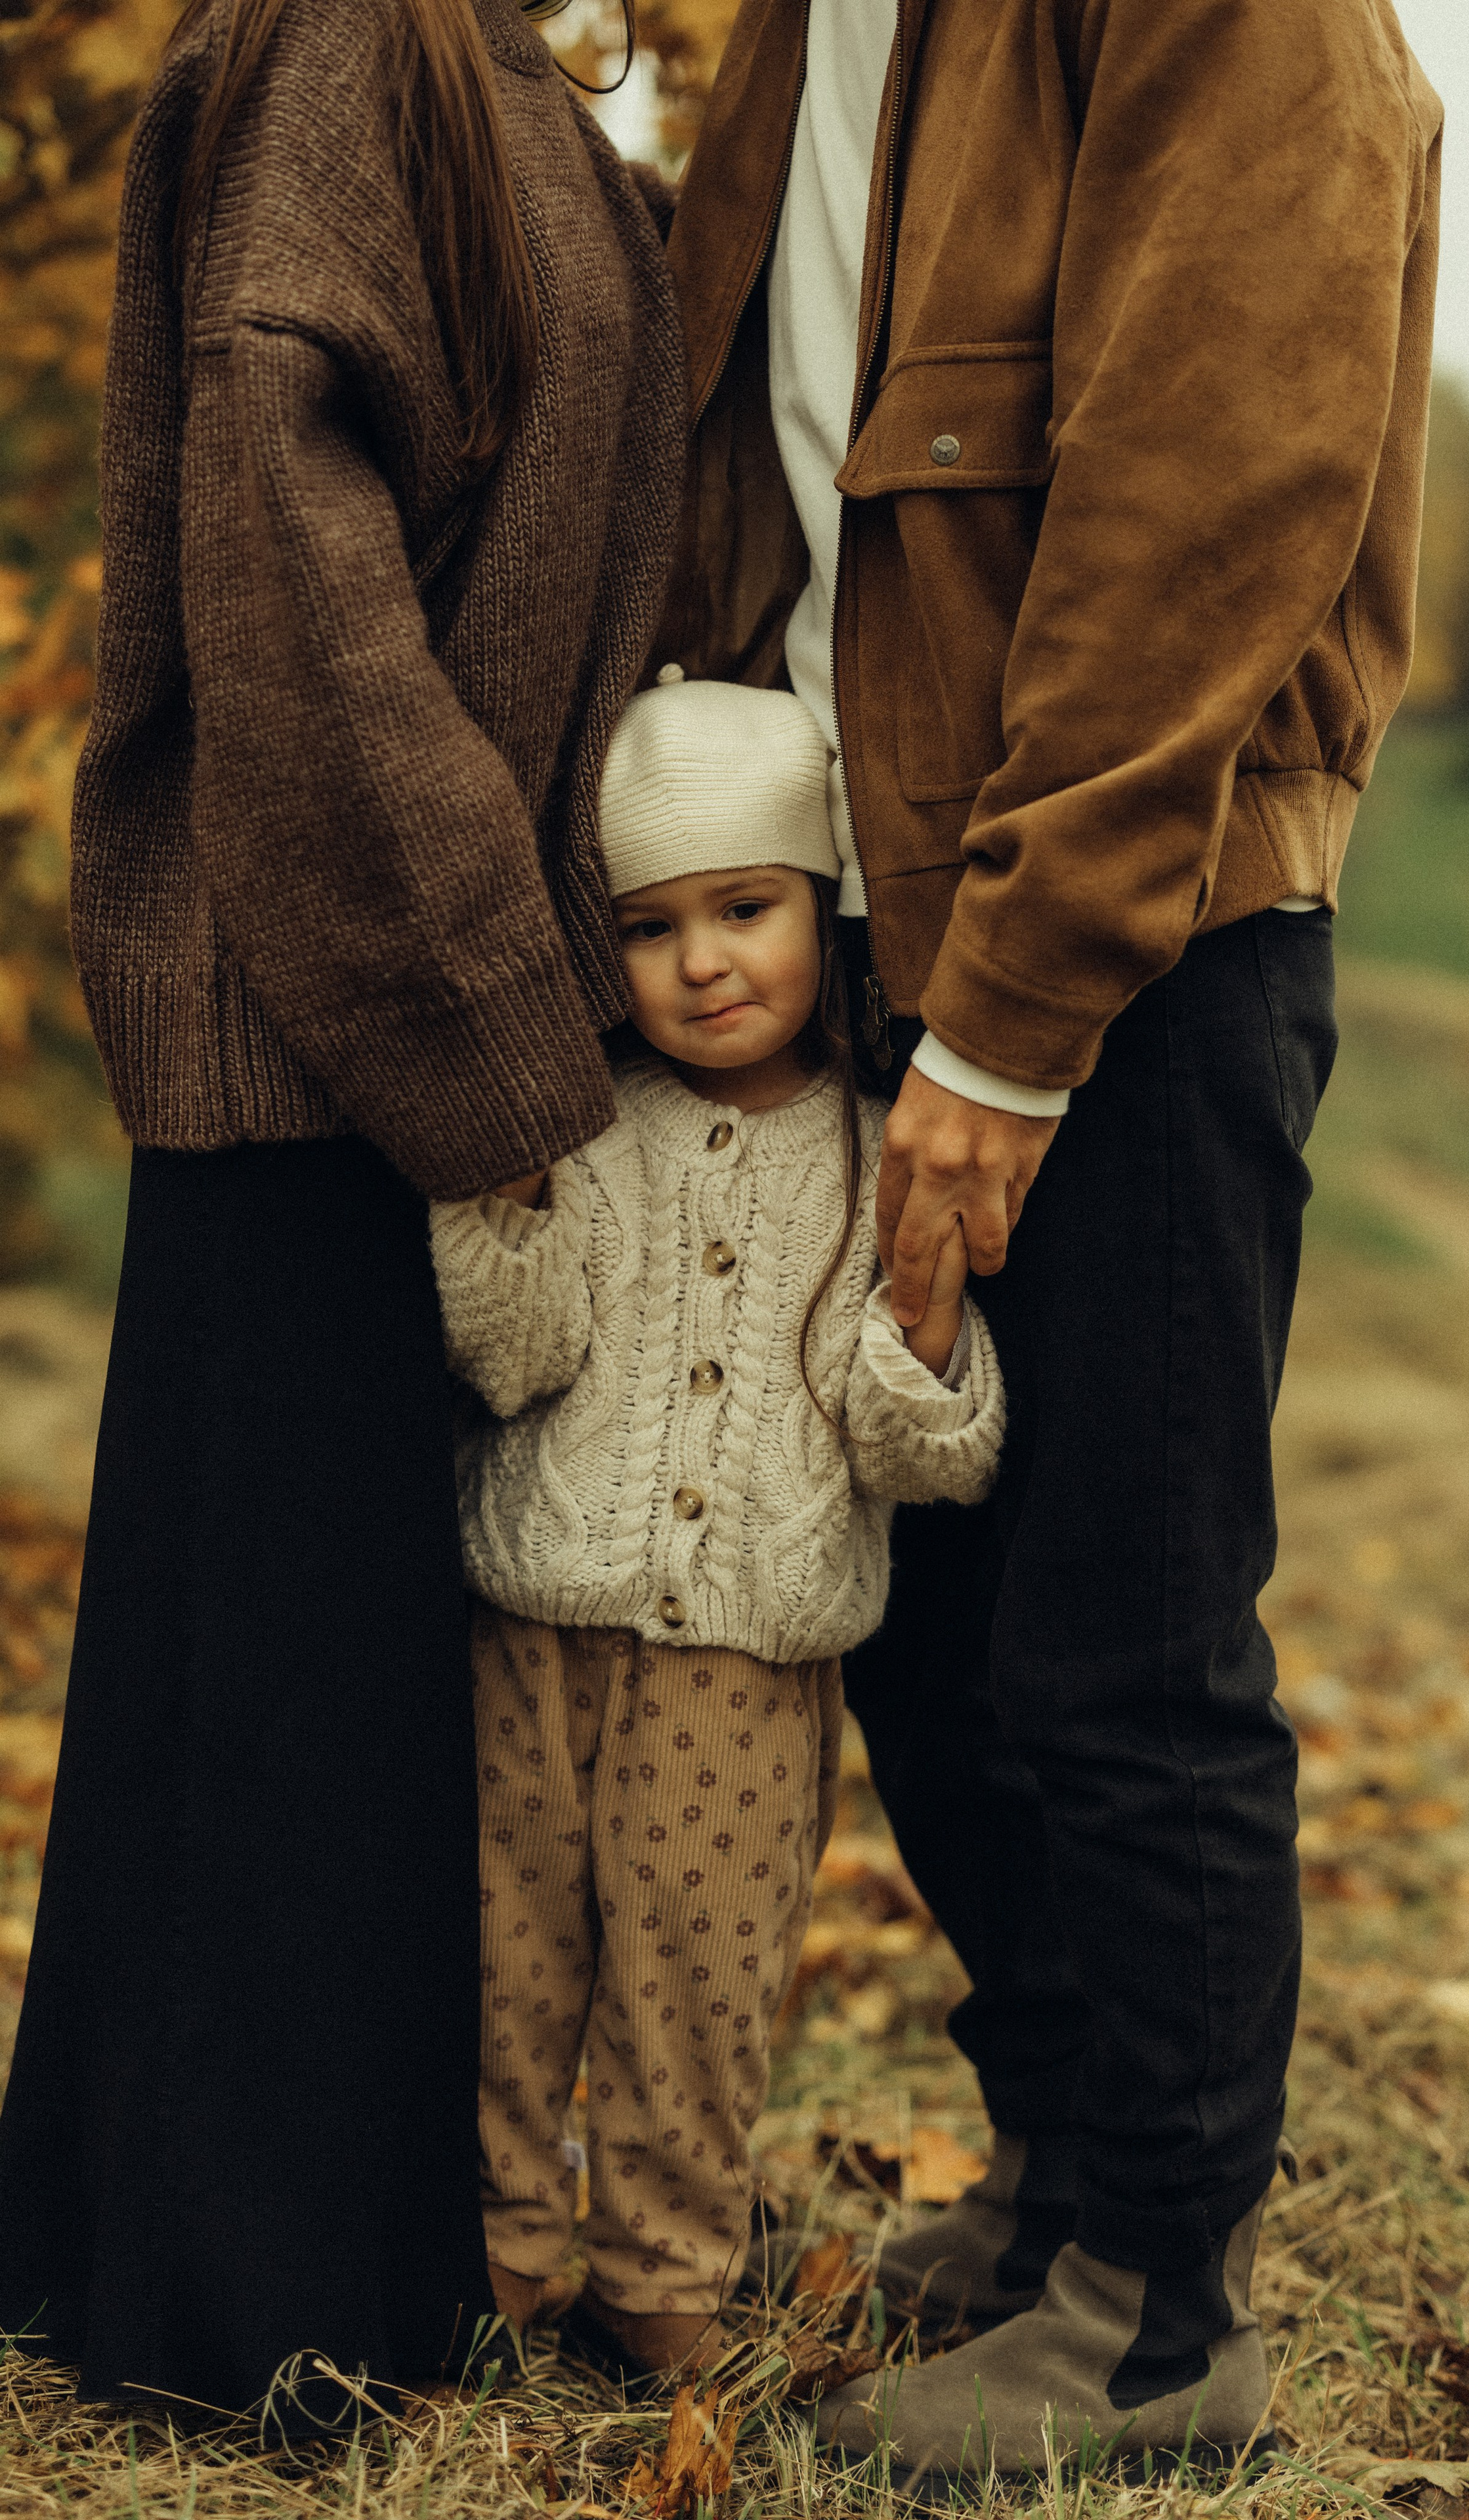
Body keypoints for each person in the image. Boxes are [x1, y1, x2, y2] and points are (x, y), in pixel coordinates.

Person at [659, 0, 1441, 2483]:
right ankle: (1065, 2172)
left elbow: (1221, 472)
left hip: (1142, 940)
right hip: (884, 911)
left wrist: (1010, 1024)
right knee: (937, 1627)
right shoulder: (800, 27)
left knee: (1123, 1628)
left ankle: (1162, 2308)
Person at [0, 0, 687, 2426]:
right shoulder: (339, 50)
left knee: (324, 1695)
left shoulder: (527, 94)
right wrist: (484, 1028)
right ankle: (246, 2315)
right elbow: (296, 602)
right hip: (336, 1029)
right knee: (278, 1705)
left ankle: (188, 2255)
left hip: (405, 1029)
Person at [429, 673, 1004, 2382]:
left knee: (698, 1982)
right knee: (508, 1960)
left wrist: (921, 1327)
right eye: (648, 926)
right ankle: (498, 2245)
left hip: (747, 1669)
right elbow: (514, 1359)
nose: (701, 963)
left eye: (746, 908)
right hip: (535, 1629)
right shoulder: (584, 1130)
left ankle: (664, 2273)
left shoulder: (879, 1152)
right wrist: (503, 1201)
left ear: (821, 905)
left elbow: (922, 1461)